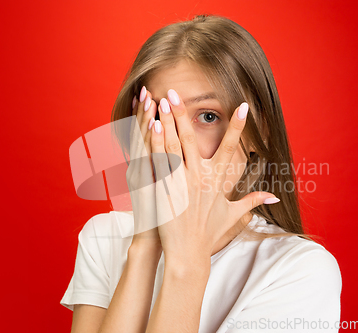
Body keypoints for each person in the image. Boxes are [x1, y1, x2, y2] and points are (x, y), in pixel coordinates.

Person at [61, 14, 342, 333]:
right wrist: (146, 243)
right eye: (158, 115)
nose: (178, 142)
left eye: (208, 116)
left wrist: (186, 264)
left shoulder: (300, 270)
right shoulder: (103, 238)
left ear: (257, 131)